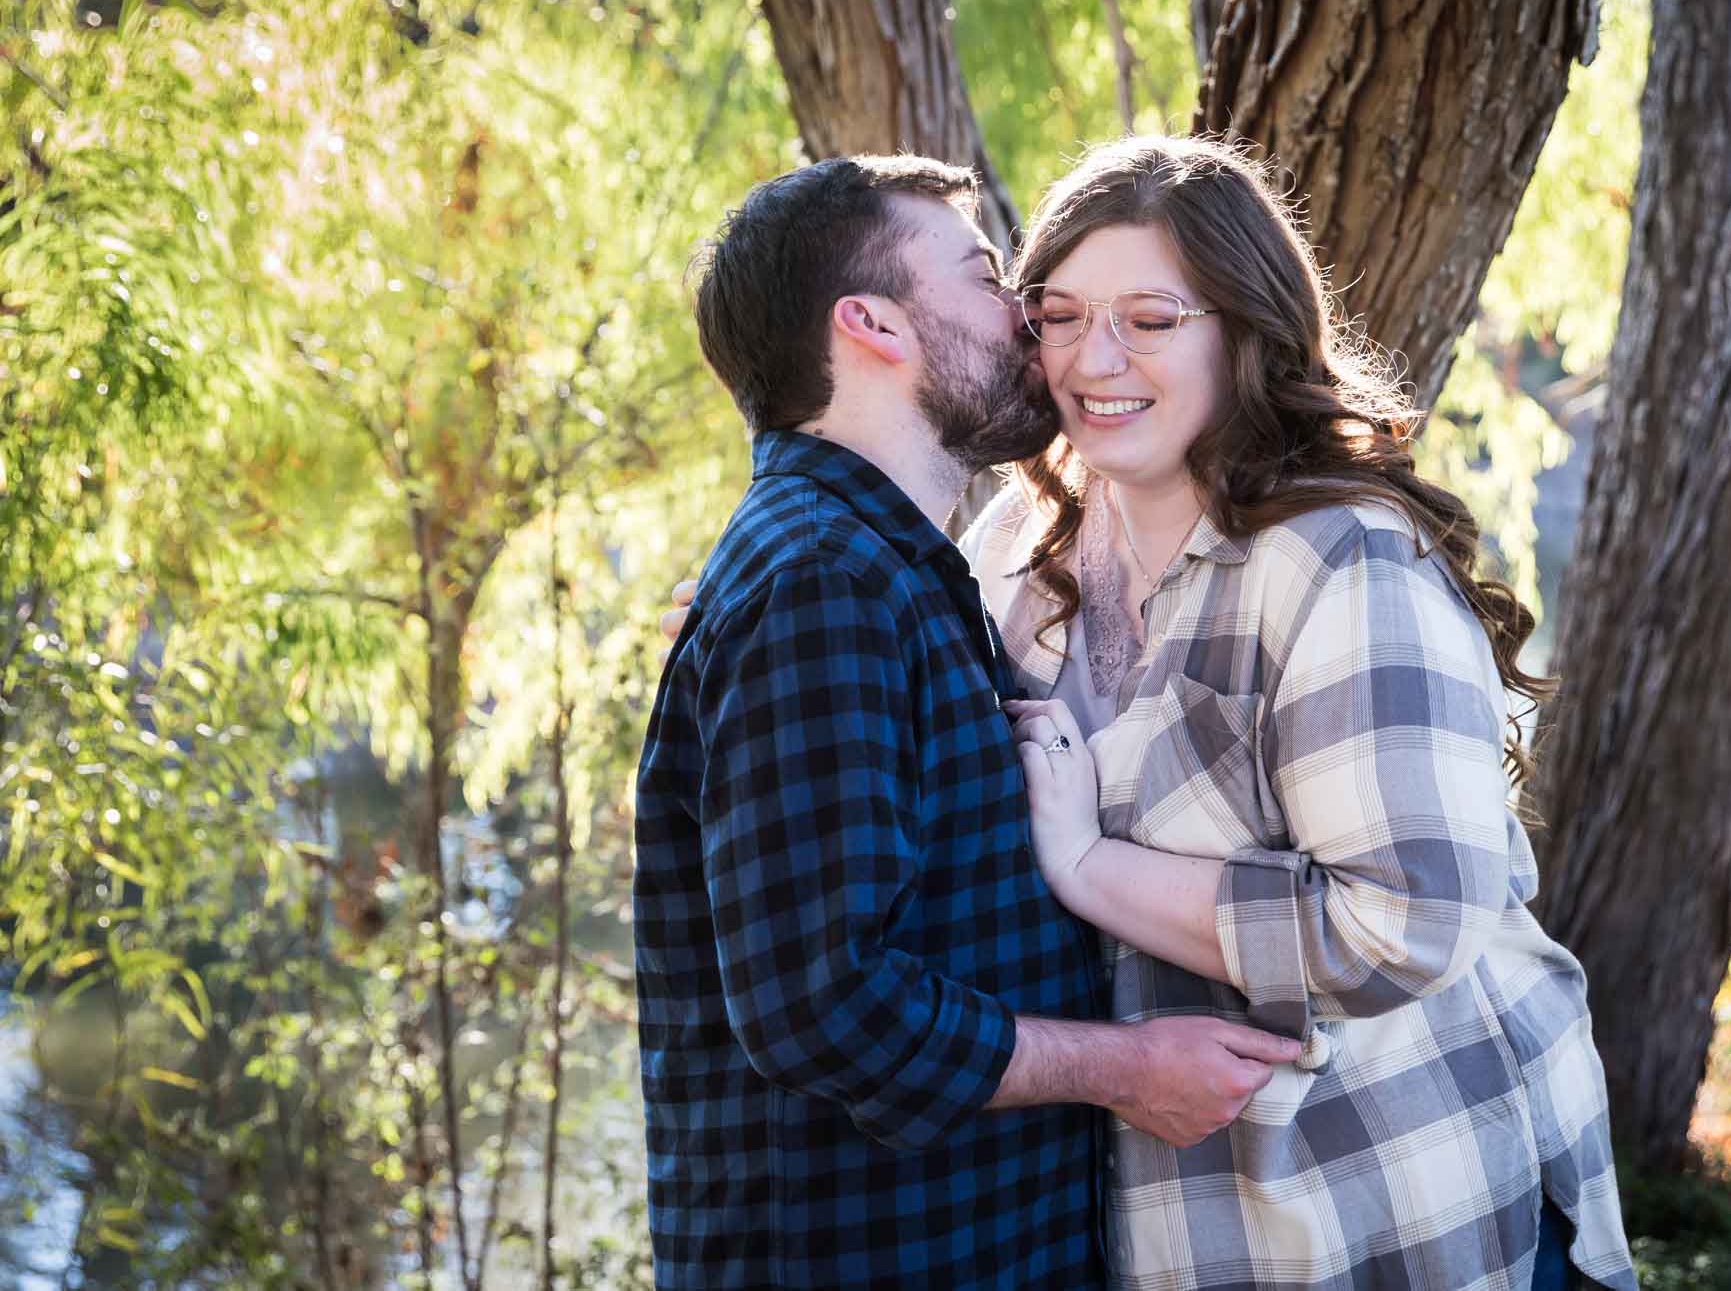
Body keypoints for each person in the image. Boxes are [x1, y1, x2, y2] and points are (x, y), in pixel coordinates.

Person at [977, 135, 1638, 1289]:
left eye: (1149, 317)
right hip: (1183, 1228)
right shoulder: (1017, 549)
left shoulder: (1336, 559)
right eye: (1059, 315)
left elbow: (1409, 921)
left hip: (1401, 1202)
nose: (1095, 357)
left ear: (1243, 328)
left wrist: (1087, 865)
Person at [636, 153, 1302, 1290]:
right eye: (987, 274)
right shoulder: (820, 582)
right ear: (872, 325)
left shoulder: (881, 571)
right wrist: (1124, 1067)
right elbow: (819, 1005)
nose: (1025, 311)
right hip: (871, 1255)